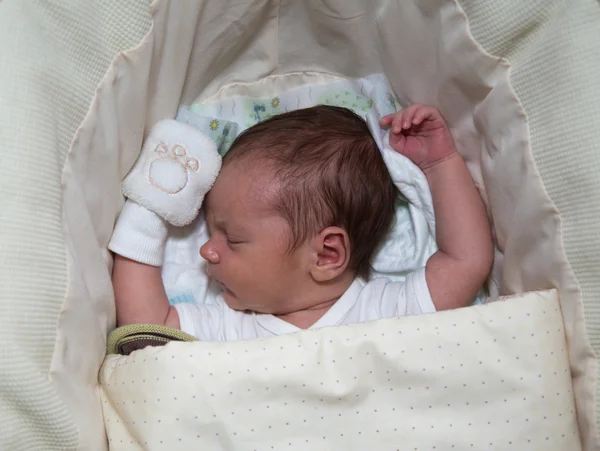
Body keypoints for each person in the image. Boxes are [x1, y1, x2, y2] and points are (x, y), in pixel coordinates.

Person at [111, 104, 493, 341]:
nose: (207, 250)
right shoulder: (231, 325)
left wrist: (440, 164)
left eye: (232, 238)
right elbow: (148, 327)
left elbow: (467, 260)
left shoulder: (390, 311)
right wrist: (148, 212)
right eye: (213, 232)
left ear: (327, 254)